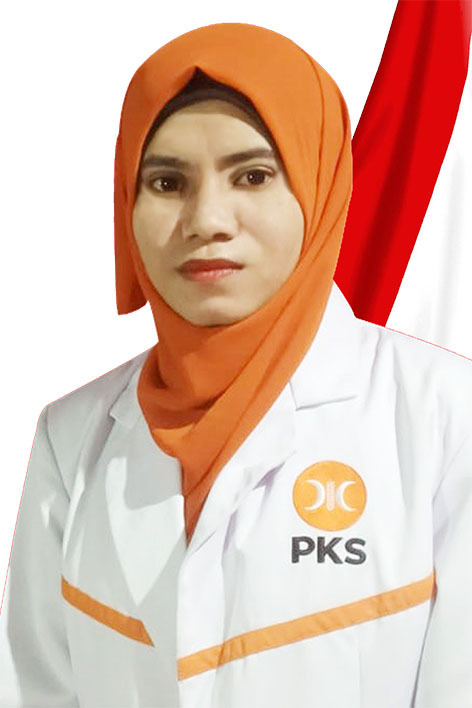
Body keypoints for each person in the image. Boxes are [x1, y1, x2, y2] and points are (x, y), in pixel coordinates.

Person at [0, 21, 471, 708]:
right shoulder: (72, 437)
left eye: (252, 175)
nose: (207, 220)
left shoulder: (445, 417)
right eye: (167, 182)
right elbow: (35, 689)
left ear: (318, 185)